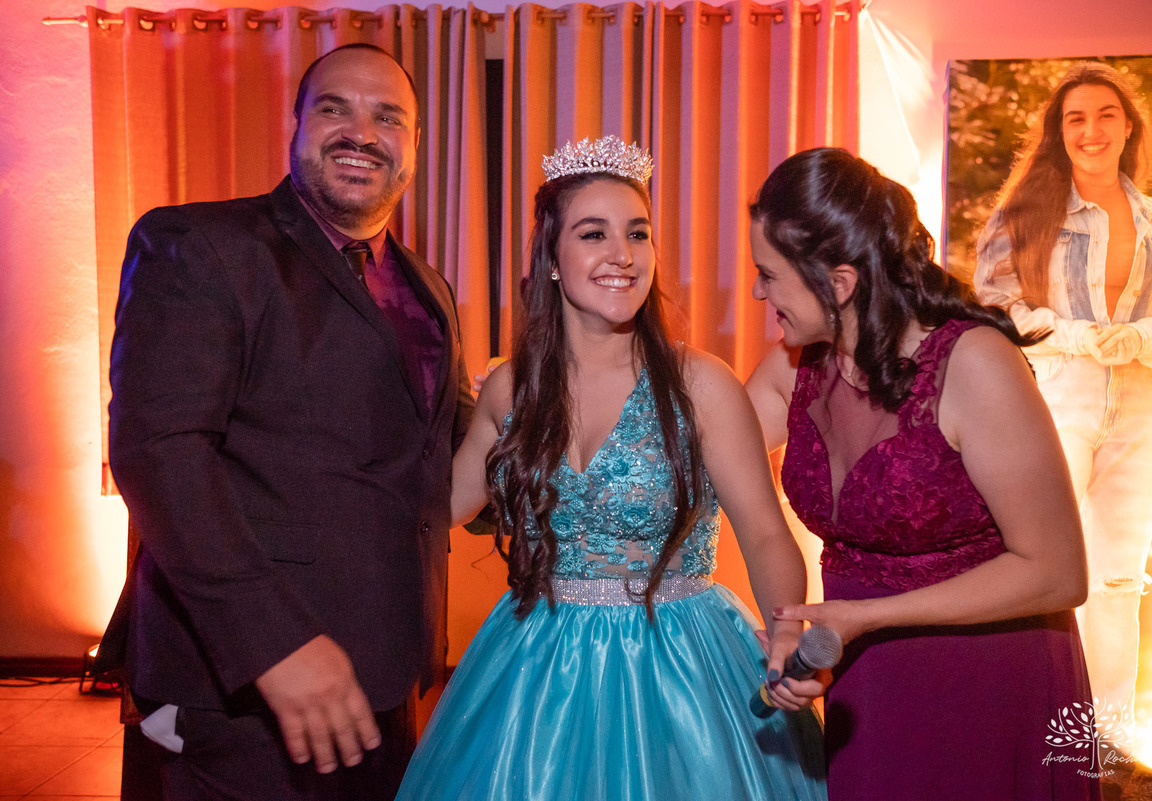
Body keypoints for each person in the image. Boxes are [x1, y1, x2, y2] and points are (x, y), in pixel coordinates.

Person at [394, 137, 827, 801]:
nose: (621, 255)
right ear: (553, 258)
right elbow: (431, 510)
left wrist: (788, 632)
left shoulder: (699, 385)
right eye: (593, 233)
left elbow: (766, 532)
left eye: (638, 233)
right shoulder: (513, 390)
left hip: (681, 665)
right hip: (535, 672)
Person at [102, 43, 473, 800]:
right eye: (334, 108)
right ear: (296, 124)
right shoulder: (201, 245)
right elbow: (161, 451)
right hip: (236, 690)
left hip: (382, 682)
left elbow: (444, 449)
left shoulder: (425, 287)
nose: (360, 131)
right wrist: (273, 644)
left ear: (414, 147)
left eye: (387, 116)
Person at [744, 147, 1101, 800]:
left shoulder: (974, 364)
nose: (758, 292)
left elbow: (1059, 570)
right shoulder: (794, 369)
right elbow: (688, 453)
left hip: (989, 684)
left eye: (769, 274)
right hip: (867, 686)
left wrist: (868, 616)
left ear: (840, 282)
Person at [975, 62, 1152, 722]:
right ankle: (1025, 721)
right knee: (1040, 566)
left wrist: (1139, 339)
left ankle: (1102, 744)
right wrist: (1070, 334)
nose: (1092, 129)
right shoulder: (1025, 214)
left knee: (1118, 582)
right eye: (1076, 118)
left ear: (1128, 126)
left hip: (1141, 408)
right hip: (1054, 399)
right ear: (1059, 131)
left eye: (1106, 114)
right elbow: (994, 304)